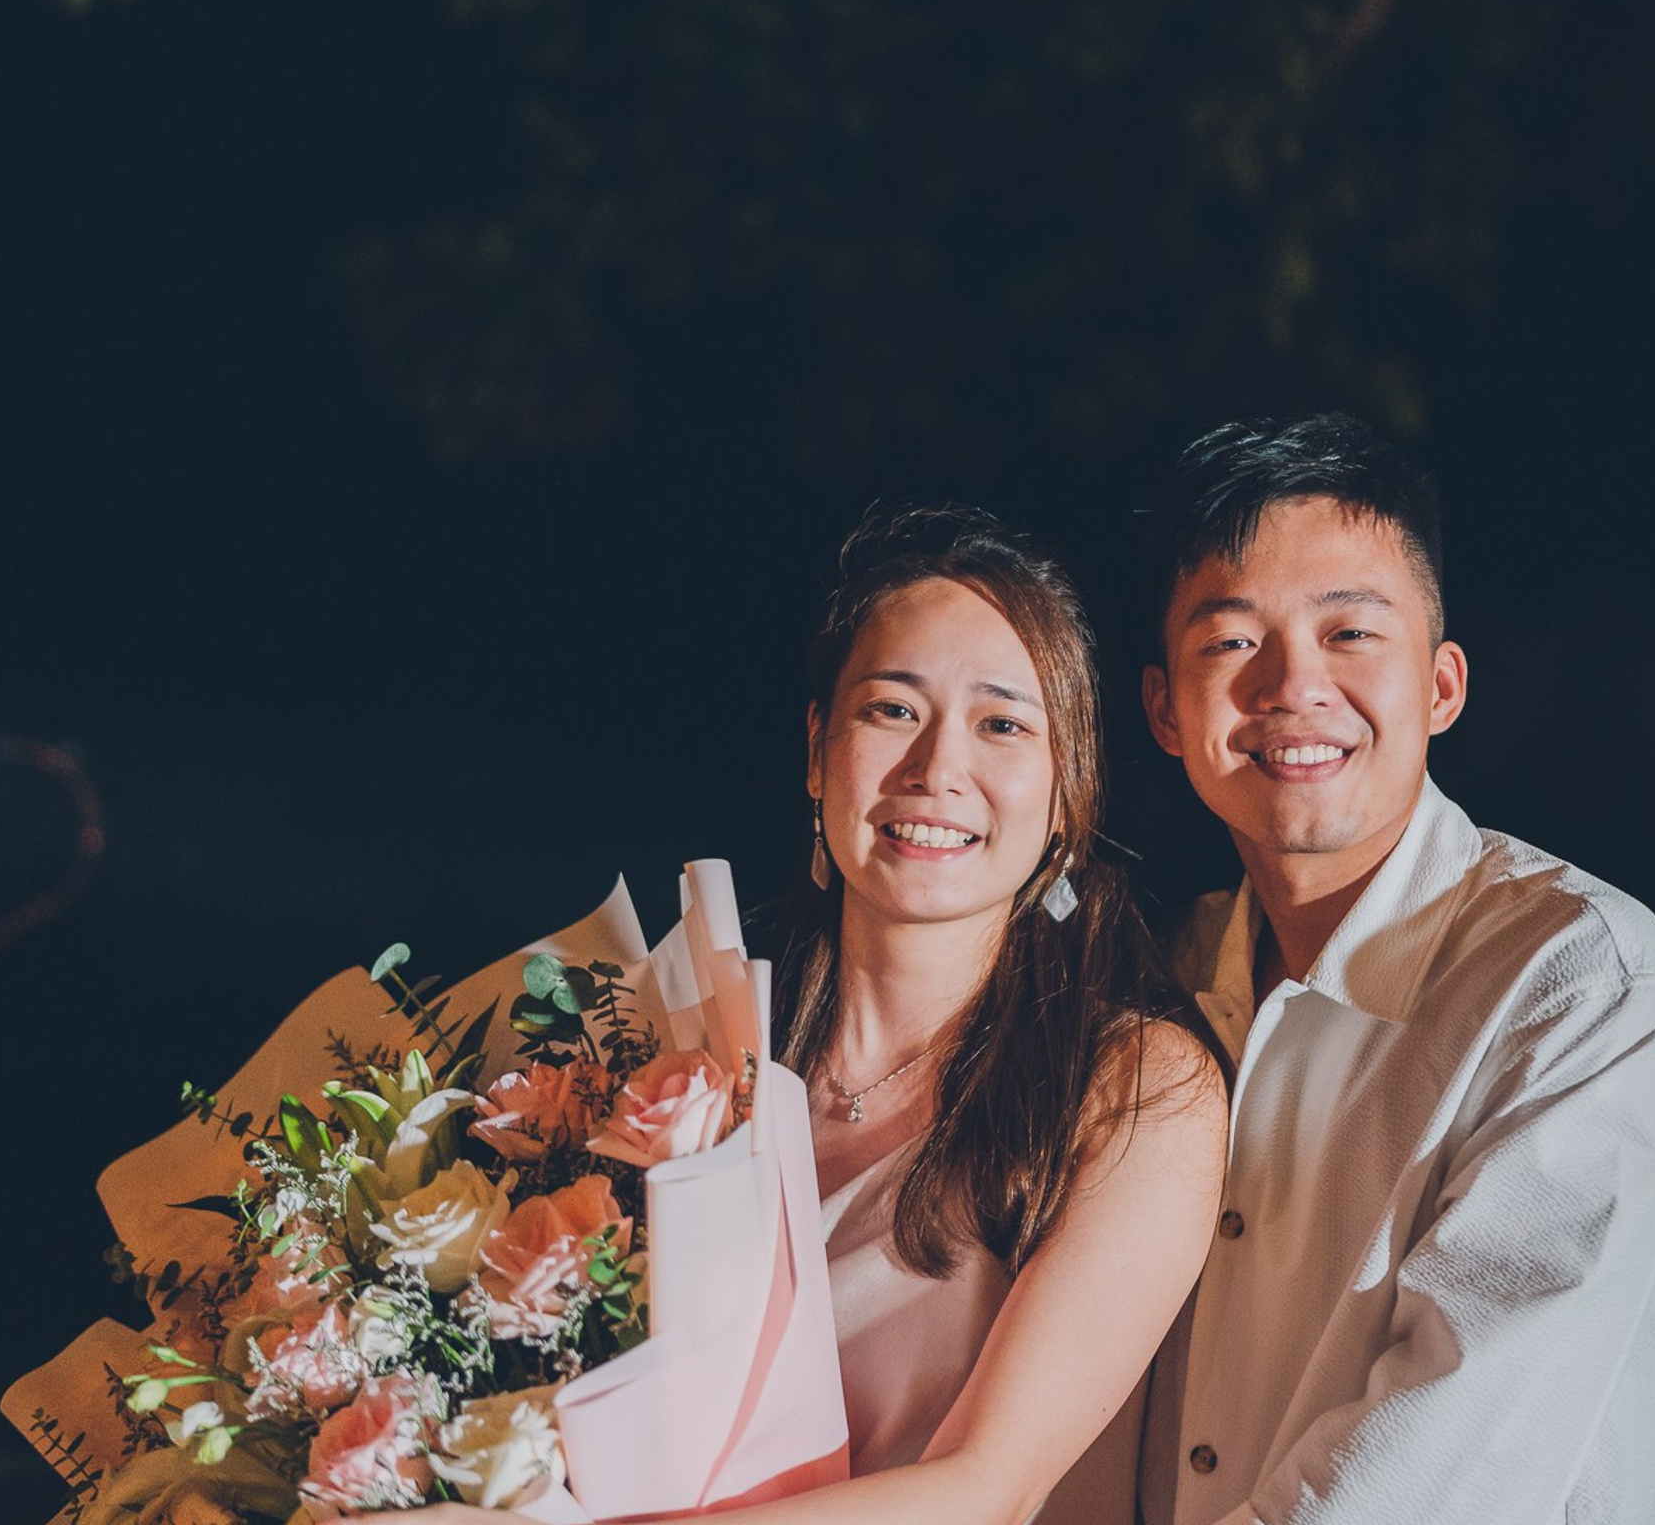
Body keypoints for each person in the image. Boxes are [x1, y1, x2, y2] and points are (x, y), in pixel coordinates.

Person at [425, 505, 1227, 1525]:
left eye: (1003, 724)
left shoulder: (1133, 1088)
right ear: (817, 752)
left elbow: (984, 1490)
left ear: (1067, 793)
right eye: (893, 710)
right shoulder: (688, 1062)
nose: (937, 769)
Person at [1134, 414, 1655, 1525]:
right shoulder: (1161, 973)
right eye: (1230, 642)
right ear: (1165, 708)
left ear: (1441, 686)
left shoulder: (1584, 984)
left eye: (1350, 634)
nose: (1292, 685)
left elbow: (1446, 1463)